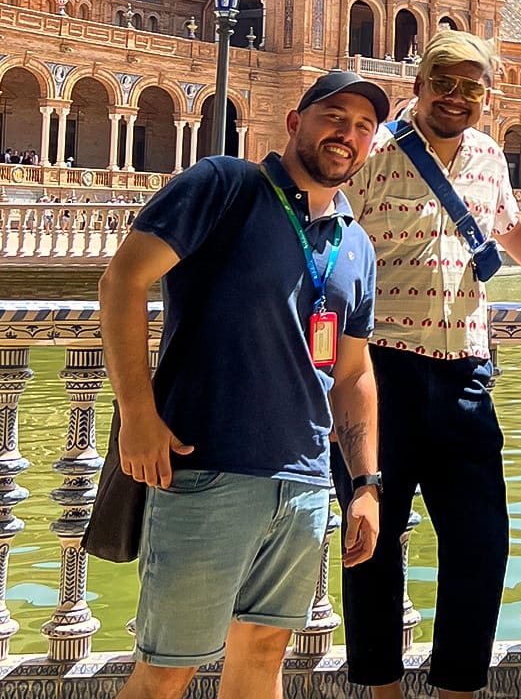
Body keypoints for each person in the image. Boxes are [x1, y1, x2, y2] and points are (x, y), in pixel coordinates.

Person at [98, 71, 388, 699]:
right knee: (166, 669)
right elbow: (123, 281)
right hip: (208, 469)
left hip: (305, 482)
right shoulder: (223, 184)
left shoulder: (356, 243)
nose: (348, 134)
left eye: (364, 127)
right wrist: (138, 414)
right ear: (294, 122)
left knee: (264, 656)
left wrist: (364, 482)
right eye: (334, 116)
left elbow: (354, 371)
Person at [337, 30, 521, 699]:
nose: (456, 96)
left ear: (489, 95)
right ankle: (383, 688)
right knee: (369, 539)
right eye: (445, 82)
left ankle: (458, 688)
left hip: (466, 372)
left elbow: (507, 227)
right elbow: (332, 239)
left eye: (471, 85)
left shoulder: (490, 156)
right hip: (380, 371)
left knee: (482, 542)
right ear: (419, 84)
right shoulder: (372, 152)